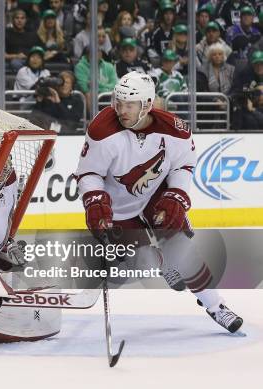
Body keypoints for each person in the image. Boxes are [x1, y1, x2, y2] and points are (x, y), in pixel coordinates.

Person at [73, 71, 244, 334]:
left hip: (155, 193)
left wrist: (175, 194)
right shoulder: (101, 130)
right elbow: (89, 173)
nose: (121, 110)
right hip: (116, 203)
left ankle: (216, 306)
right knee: (141, 264)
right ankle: (162, 263)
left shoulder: (175, 131)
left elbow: (183, 165)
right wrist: (95, 202)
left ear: (148, 105)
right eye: (117, 102)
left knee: (183, 251)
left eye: (129, 104)